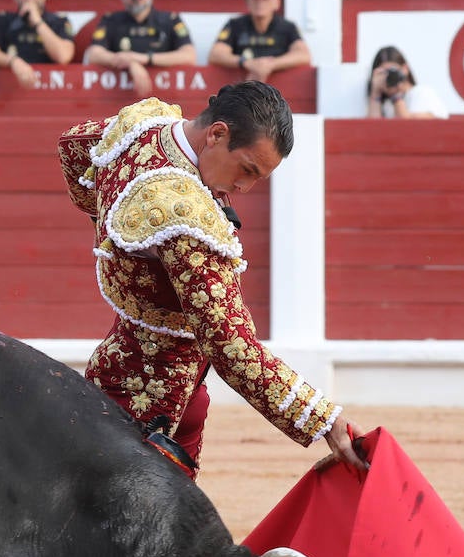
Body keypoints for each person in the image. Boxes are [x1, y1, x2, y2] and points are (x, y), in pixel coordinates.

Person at [56, 82, 368, 473]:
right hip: (146, 408)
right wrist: (322, 419)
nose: (244, 188)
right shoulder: (182, 213)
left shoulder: (146, 124)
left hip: (132, 370)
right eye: (246, 170)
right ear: (217, 134)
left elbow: (74, 144)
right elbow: (230, 345)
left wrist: (112, 228)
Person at [82, 0, 196, 98]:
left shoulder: (170, 20)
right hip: (119, 99)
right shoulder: (111, 20)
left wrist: (143, 59)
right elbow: (94, 54)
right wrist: (130, 63)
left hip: (168, 96)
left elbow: (189, 55)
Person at [207, 0, 311, 83]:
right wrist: (246, 63)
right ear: (247, 1)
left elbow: (303, 55)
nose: (260, 1)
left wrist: (271, 64)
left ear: (277, 2)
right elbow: (215, 54)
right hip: (241, 93)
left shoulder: (287, 27)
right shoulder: (235, 25)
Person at [365, 45, 450, 118]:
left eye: (392, 71)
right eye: (384, 73)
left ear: (405, 69)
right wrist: (375, 93)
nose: (389, 76)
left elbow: (408, 127)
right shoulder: (386, 104)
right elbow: (372, 129)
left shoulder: (422, 93)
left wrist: (396, 95)